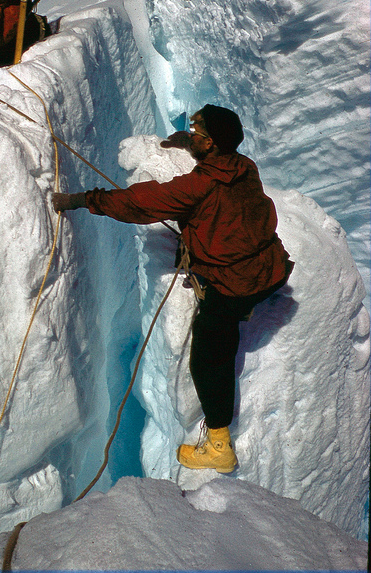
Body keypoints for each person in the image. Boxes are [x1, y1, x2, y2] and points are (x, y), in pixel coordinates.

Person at [52, 105, 293, 474]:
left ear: (211, 143)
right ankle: (250, 303)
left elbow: (139, 203)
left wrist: (83, 200)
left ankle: (218, 444)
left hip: (235, 287)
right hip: (272, 269)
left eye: (196, 131)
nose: (190, 132)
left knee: (209, 357)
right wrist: (189, 145)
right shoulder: (244, 167)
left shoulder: (199, 186)